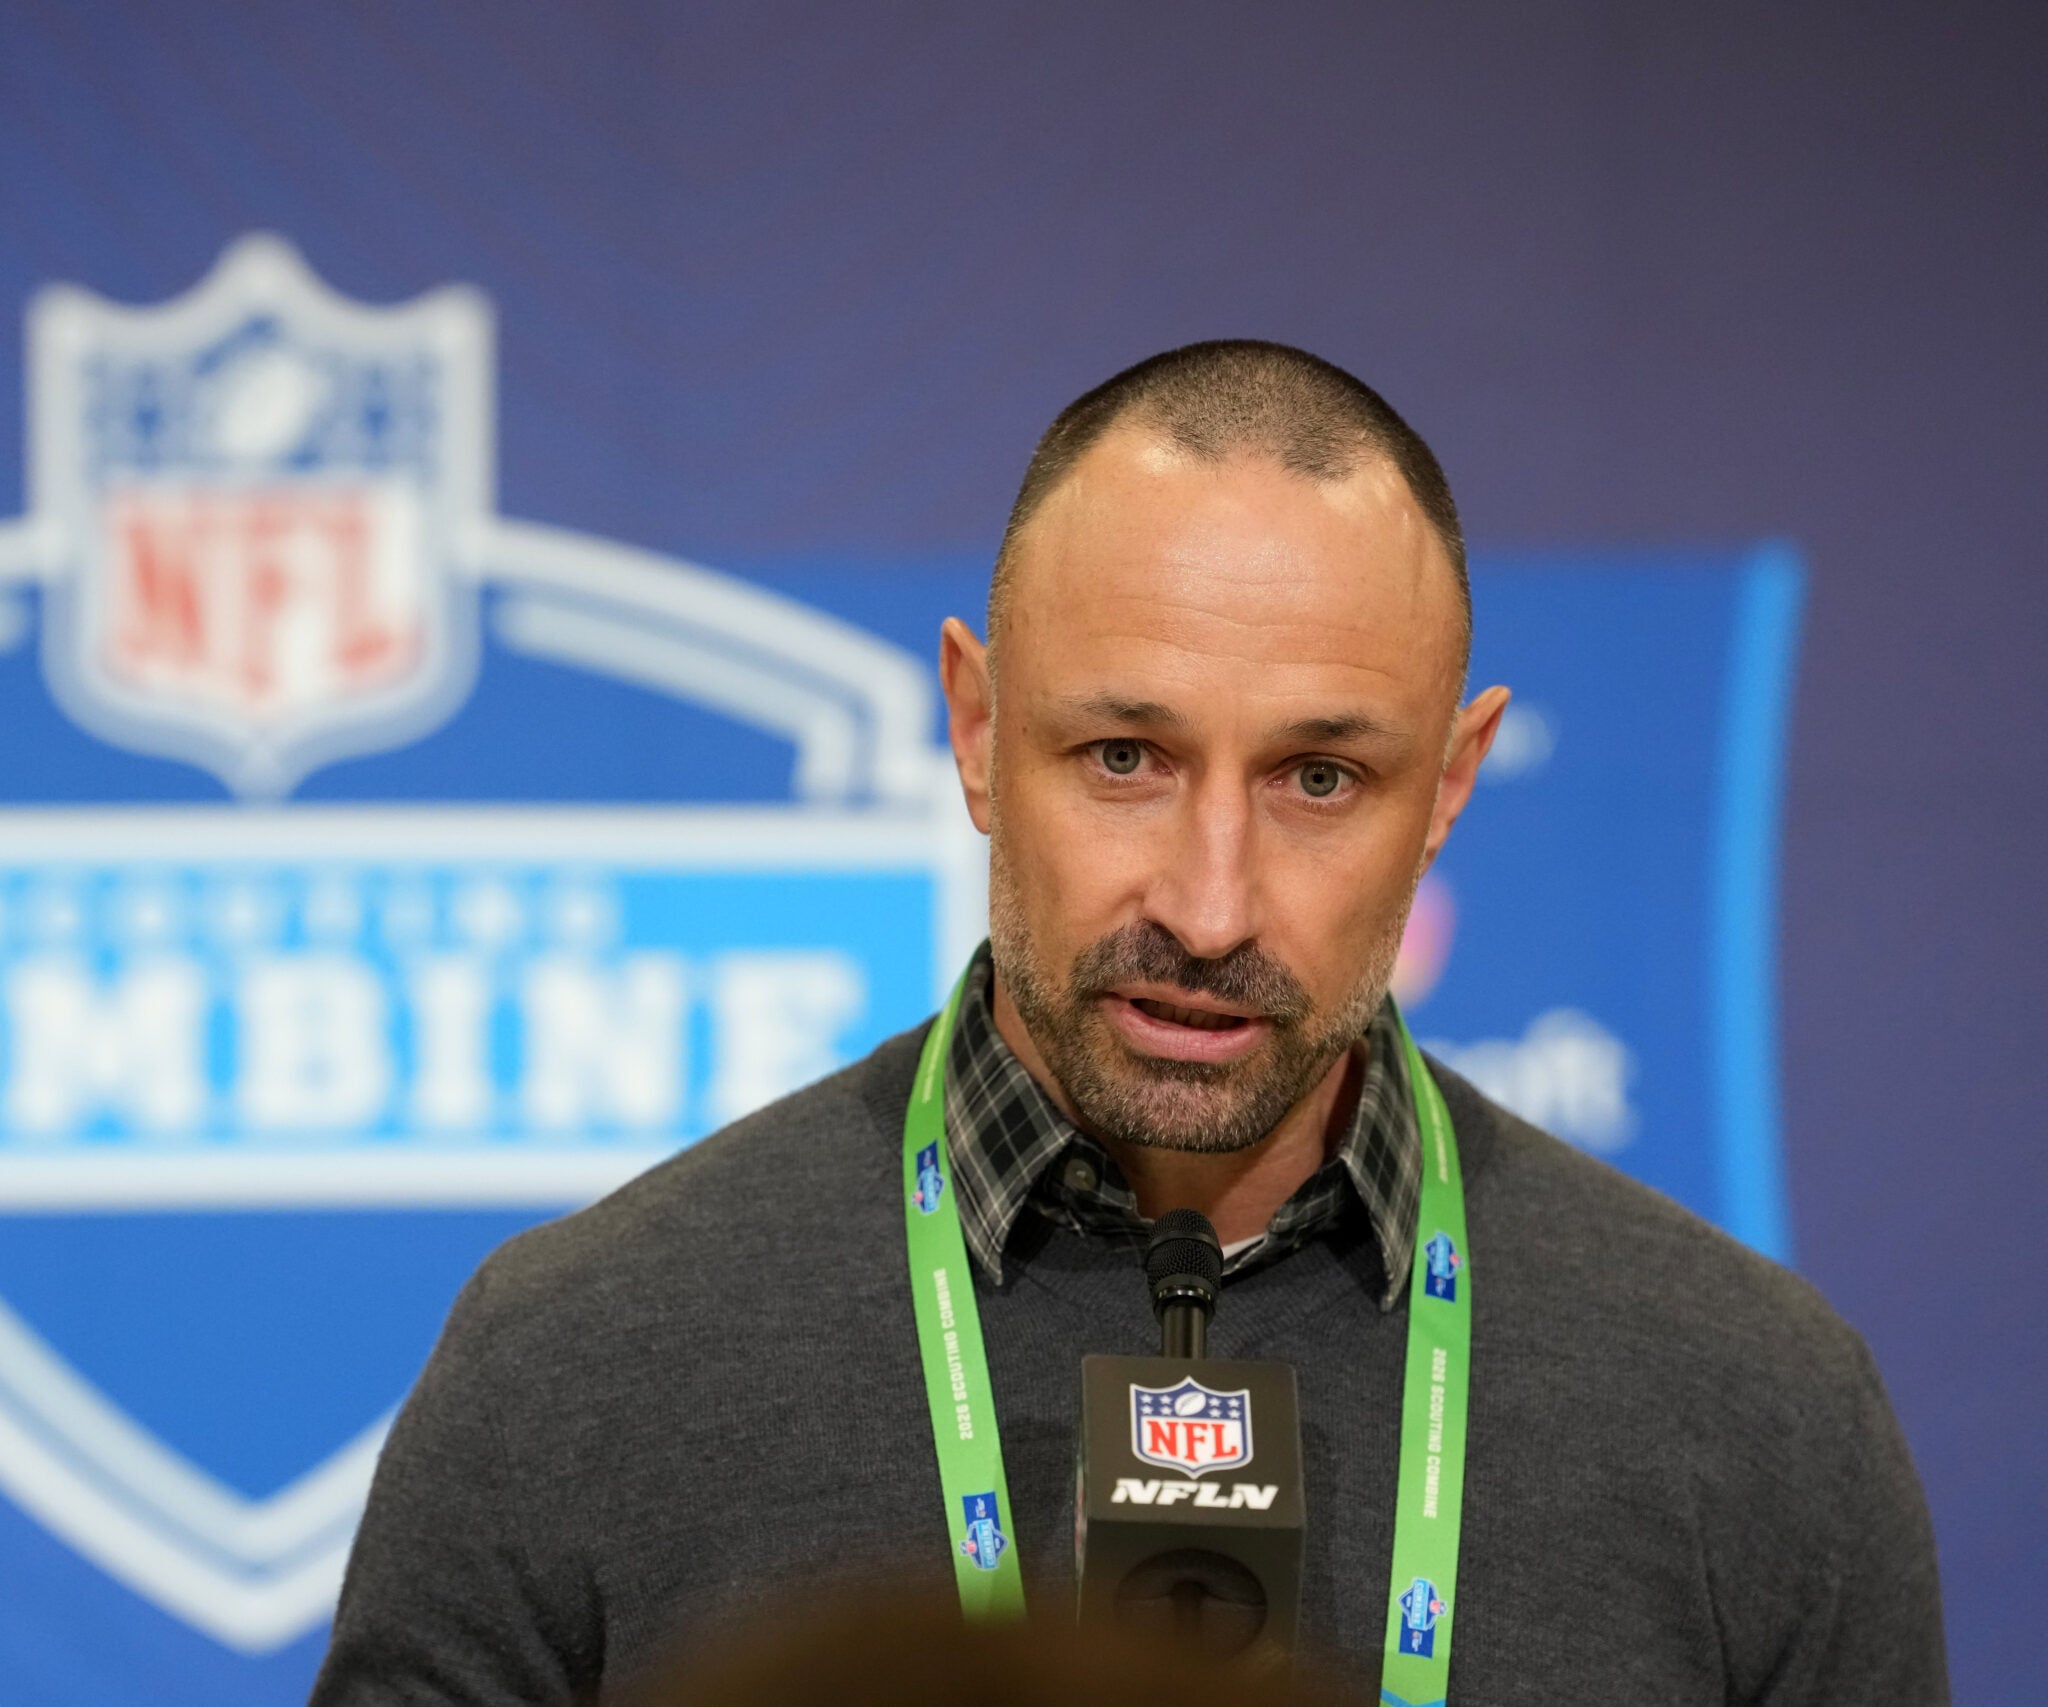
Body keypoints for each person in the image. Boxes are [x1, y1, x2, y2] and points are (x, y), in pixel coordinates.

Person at [308, 342, 1946, 1703]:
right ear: (975, 727)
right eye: (1124, 759)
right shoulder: (581, 1363)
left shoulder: (1759, 1412)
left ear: (1450, 785)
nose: (1211, 906)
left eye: (1321, 778)